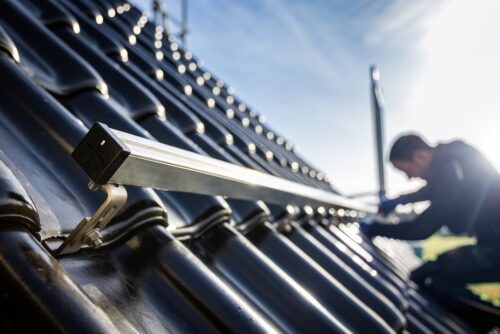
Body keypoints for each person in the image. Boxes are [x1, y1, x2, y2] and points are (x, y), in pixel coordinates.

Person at [360, 133, 500, 305]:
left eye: (406, 170)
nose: (409, 177)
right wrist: (401, 200)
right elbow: (435, 190)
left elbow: (422, 228)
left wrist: (375, 229)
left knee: (435, 275)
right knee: (440, 276)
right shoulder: (455, 160)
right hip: (493, 242)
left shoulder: (452, 169)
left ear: (421, 156)